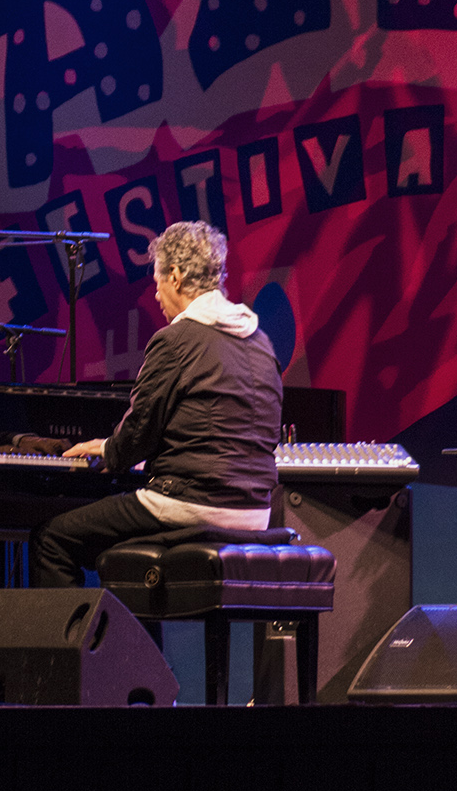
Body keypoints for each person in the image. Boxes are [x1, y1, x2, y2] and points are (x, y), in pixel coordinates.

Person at [28, 221, 281, 587]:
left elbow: (140, 433)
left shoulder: (176, 340)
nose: (157, 294)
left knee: (52, 539)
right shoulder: (261, 342)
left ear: (175, 276)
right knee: (114, 542)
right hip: (254, 511)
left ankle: (79, 644)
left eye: (158, 280)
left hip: (190, 504)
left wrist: (109, 451)